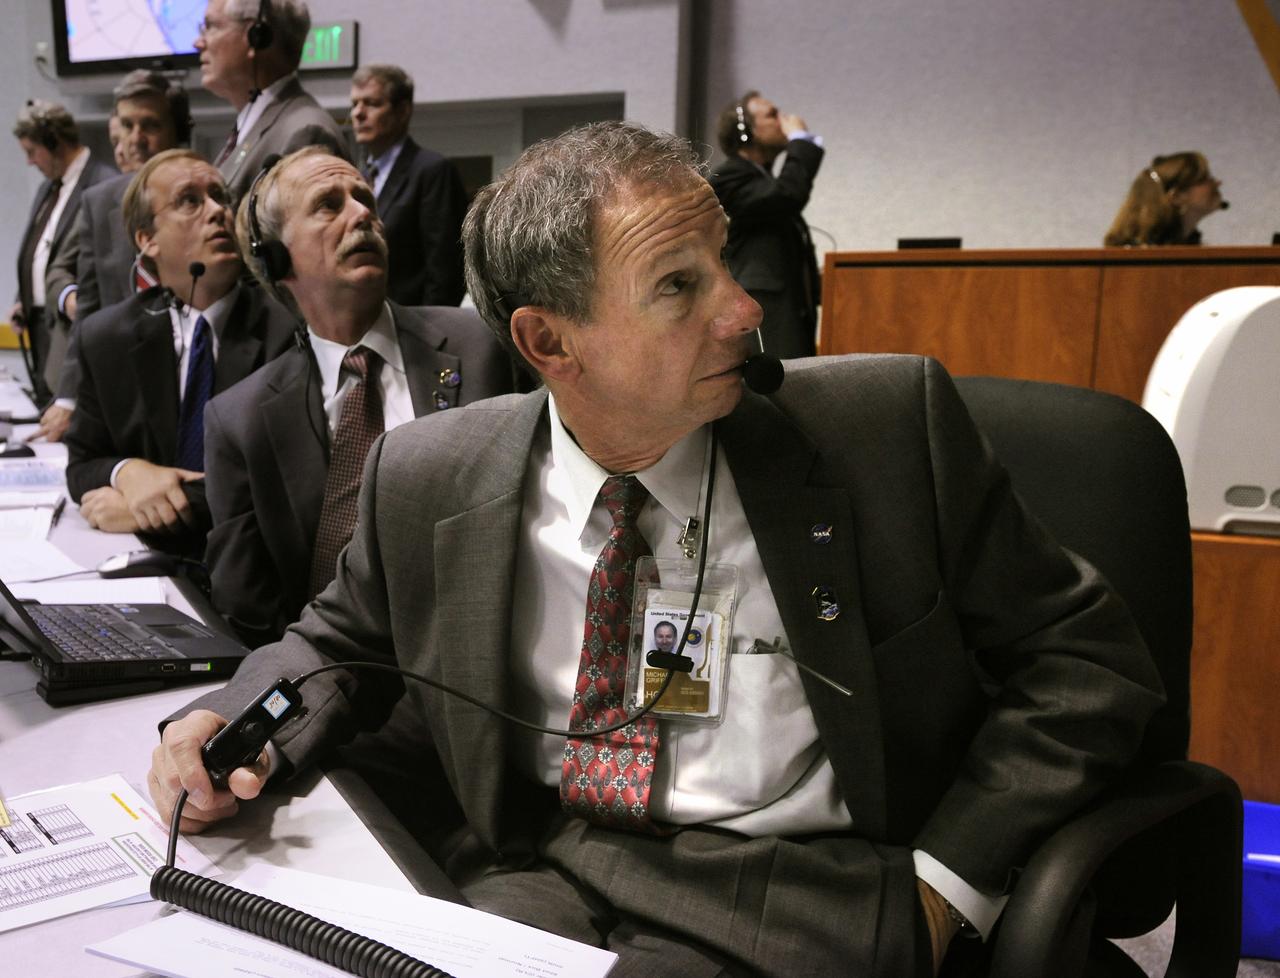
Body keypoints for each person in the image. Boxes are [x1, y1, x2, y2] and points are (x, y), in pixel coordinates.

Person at [148, 122, 1163, 978]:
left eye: (720, 259)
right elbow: (336, 640)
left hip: (809, 892)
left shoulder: (883, 431)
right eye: (678, 285)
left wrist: (950, 880)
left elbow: (1085, 664)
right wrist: (230, 722)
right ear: (550, 343)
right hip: (544, 867)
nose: (742, 307)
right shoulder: (430, 472)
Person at [201, 147, 512, 647]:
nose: (362, 213)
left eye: (364, 197)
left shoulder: (483, 345)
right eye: (329, 204)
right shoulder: (238, 419)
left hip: (480, 651)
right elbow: (246, 607)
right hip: (333, 677)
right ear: (274, 258)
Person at [63, 150, 293, 546]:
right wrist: (129, 472)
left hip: (250, 571)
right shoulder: (105, 336)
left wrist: (145, 507)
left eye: (221, 197)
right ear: (147, 239)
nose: (218, 211)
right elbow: (82, 465)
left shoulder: (287, 331)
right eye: (190, 200)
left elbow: (276, 483)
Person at [35, 70, 192, 444]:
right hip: (120, 395)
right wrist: (70, 397)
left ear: (178, 129)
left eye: (150, 125)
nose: (136, 138)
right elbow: (88, 308)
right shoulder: (99, 202)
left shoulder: (206, 196)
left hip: (190, 386)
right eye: (127, 124)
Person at [10, 100, 116, 398]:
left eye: (32, 152)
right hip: (41, 323)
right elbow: (40, 247)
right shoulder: (48, 188)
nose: (30, 161)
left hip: (74, 325)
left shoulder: (101, 183)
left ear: (54, 142)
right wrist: (24, 298)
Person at [709, 91, 823, 360]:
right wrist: (800, 141)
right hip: (764, 306)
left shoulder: (758, 178)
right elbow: (787, 195)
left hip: (786, 307)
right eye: (772, 115)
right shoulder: (729, 176)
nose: (784, 120)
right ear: (744, 131)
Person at [196, 0, 346, 202]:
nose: (198, 43)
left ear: (254, 36)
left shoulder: (305, 133)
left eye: (210, 27)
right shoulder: (255, 122)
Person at [350, 64, 468, 307]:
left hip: (417, 328)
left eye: (371, 103)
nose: (358, 113)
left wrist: (428, 337)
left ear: (402, 111)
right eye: (354, 104)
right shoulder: (356, 178)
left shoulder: (432, 170)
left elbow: (446, 271)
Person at [1104, 152, 1226, 247]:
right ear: (1176, 197)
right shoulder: (1136, 257)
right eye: (1205, 179)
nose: (1218, 183)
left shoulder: (1195, 248)